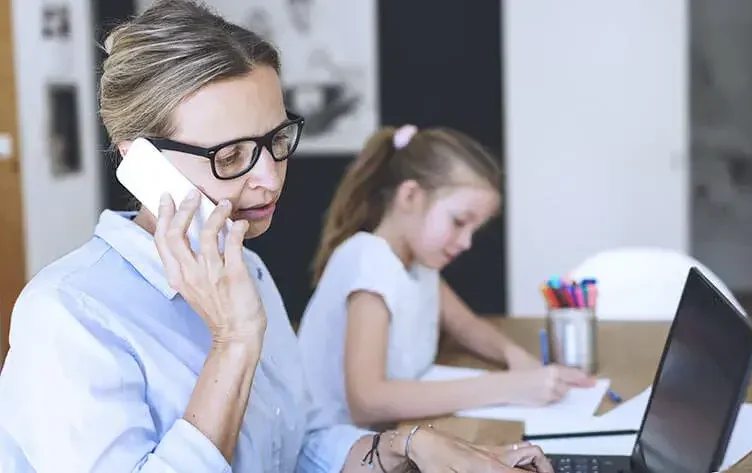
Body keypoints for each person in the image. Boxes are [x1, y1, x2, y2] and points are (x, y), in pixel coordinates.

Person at [0, 2, 554, 472]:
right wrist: (234, 343)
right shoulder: (69, 314)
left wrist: (407, 448)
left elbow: (300, 444)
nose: (269, 177)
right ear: (140, 162)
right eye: (231, 155)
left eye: (275, 139)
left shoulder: (247, 268)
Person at [296, 124, 596, 430]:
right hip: (330, 448)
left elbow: (464, 325)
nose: (466, 242)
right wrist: (509, 387)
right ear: (410, 196)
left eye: (473, 230)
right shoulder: (370, 262)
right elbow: (367, 401)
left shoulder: (416, 263)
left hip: (383, 439)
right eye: (459, 222)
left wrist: (514, 356)